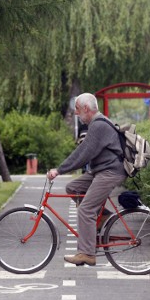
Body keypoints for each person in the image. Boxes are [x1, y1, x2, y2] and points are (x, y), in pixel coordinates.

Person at [47, 93, 127, 266]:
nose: (76, 113)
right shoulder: (96, 124)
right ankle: (103, 216)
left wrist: (59, 170)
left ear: (85, 108)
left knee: (85, 210)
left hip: (110, 171)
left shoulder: (98, 125)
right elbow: (84, 151)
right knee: (73, 187)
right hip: (101, 170)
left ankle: (87, 253)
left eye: (76, 109)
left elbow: (83, 154)